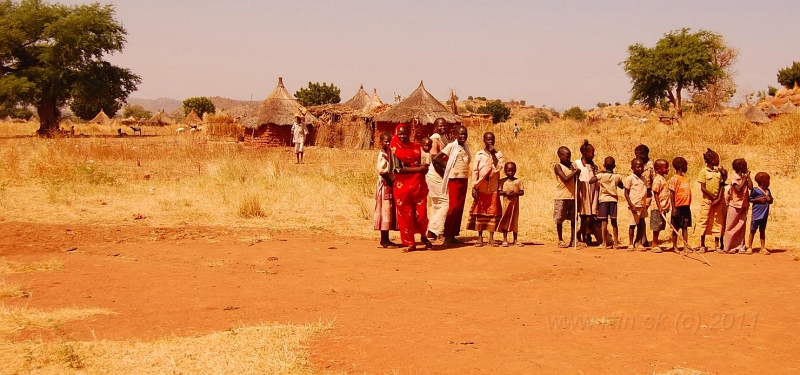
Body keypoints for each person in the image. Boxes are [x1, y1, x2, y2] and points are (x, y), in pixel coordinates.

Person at [390, 124, 432, 252]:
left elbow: (425, 159)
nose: (403, 136)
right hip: (402, 187)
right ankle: (410, 243)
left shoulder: (416, 147)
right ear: (397, 134)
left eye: (405, 134)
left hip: (417, 185)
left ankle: (424, 237)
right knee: (406, 216)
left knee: (421, 214)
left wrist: (424, 168)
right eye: (400, 134)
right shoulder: (394, 149)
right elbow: (397, 169)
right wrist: (418, 169)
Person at [433, 126, 471, 248]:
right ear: (455, 135)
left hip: (464, 179)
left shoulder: (466, 147)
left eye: (465, 134)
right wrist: (448, 166)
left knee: (459, 207)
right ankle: (447, 235)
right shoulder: (451, 146)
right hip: (454, 179)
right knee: (453, 207)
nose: (463, 136)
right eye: (461, 134)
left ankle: (454, 234)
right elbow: (436, 158)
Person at [467, 132, 504, 247]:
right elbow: (475, 171)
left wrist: (493, 154)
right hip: (481, 187)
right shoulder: (479, 154)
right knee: (480, 212)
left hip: (493, 188)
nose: (490, 141)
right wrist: (474, 186)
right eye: (488, 139)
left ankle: (491, 238)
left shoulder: (498, 154)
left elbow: (499, 167)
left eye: (492, 139)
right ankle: (479, 237)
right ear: (484, 140)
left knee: (492, 212)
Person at [697, 148, 727, 253]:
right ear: (711, 160)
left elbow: (722, 185)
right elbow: (703, 188)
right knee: (703, 220)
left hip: (718, 201)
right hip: (707, 200)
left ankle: (717, 245)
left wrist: (718, 198)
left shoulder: (719, 173)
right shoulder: (703, 172)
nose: (718, 160)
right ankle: (702, 244)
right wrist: (713, 197)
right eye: (716, 158)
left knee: (718, 221)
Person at [374, 133, 398, 248]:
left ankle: (386, 239)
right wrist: (391, 181)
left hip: (388, 185)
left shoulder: (389, 154)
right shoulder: (383, 155)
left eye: (389, 141)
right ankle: (384, 240)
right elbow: (382, 171)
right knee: (385, 212)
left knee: (387, 212)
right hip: (384, 185)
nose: (388, 143)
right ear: (381, 142)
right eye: (386, 141)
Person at [724, 158, 753, 254]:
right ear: (741, 167)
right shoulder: (734, 177)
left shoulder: (745, 177)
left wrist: (748, 178)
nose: (746, 167)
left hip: (743, 205)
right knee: (731, 226)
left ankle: (740, 245)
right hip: (734, 205)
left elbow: (751, 187)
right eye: (745, 165)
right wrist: (744, 179)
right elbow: (738, 189)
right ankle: (729, 246)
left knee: (741, 226)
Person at [553, 146, 580, 248]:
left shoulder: (572, 165)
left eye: (569, 156)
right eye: (566, 156)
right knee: (559, 219)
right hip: (562, 196)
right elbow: (565, 178)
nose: (569, 158)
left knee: (573, 219)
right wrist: (574, 172)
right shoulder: (558, 166)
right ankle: (560, 239)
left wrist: (577, 172)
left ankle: (573, 239)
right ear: (560, 156)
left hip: (572, 196)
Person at [575, 140, 600, 246]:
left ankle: (586, 232)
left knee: (592, 215)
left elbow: (596, 178)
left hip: (593, 190)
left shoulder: (594, 166)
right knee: (585, 215)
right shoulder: (577, 164)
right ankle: (583, 233)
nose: (593, 155)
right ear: (585, 153)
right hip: (583, 190)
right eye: (591, 153)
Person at [596, 156, 624, 249]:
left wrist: (600, 174)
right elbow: (621, 186)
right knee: (614, 221)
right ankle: (615, 243)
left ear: (604, 165)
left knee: (604, 222)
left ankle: (604, 243)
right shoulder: (617, 176)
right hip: (613, 201)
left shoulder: (601, 176)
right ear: (614, 166)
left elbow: (591, 180)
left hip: (604, 200)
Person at [668, 157, 692, 253]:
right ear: (681, 167)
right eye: (686, 165)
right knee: (676, 227)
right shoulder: (674, 179)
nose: (687, 167)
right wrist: (673, 208)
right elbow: (671, 193)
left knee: (685, 227)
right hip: (677, 207)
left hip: (686, 206)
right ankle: (675, 246)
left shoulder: (685, 178)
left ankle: (685, 246)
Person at [498, 162, 524, 247]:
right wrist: (505, 192)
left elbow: (522, 192)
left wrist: (515, 193)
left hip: (515, 206)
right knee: (505, 220)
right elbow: (498, 192)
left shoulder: (518, 181)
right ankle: (505, 239)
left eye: (512, 171)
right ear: (505, 171)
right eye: (508, 171)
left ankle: (515, 240)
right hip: (506, 205)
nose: (510, 172)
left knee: (514, 221)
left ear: (515, 171)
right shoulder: (502, 181)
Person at [623, 158, 647, 250]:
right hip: (634, 206)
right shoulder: (630, 179)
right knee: (632, 225)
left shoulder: (643, 179)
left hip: (642, 205)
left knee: (640, 225)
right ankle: (630, 243)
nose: (640, 169)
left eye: (642, 166)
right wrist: (631, 205)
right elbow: (626, 193)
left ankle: (639, 243)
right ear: (632, 168)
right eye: (638, 167)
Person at [748, 172, 773, 255]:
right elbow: (750, 199)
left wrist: (769, 199)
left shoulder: (768, 191)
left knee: (762, 230)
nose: (769, 182)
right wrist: (758, 200)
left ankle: (762, 247)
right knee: (753, 230)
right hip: (756, 214)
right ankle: (749, 247)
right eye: (768, 180)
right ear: (763, 181)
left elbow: (771, 201)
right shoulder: (755, 190)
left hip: (764, 214)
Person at [634, 145, 654, 246]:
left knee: (641, 217)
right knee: (639, 217)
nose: (636, 156)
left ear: (644, 155)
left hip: (648, 195)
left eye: (638, 155)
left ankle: (640, 239)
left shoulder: (650, 166)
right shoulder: (638, 164)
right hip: (638, 193)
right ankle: (643, 238)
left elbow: (654, 180)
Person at [650, 159, 670, 253]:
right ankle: (654, 244)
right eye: (666, 167)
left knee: (660, 225)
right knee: (656, 226)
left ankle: (655, 243)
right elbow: (655, 193)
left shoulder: (662, 178)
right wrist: (659, 207)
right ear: (658, 169)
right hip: (657, 208)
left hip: (662, 206)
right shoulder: (657, 179)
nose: (668, 169)